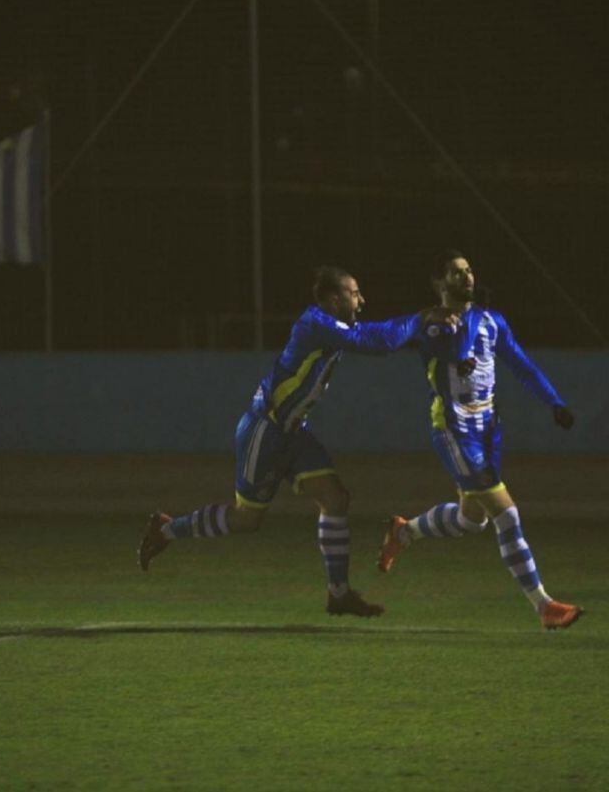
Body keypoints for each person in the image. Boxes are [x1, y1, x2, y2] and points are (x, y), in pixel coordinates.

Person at [138, 265, 453, 618]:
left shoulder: (336, 327)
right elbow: (377, 342)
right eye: (354, 293)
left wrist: (419, 323)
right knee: (246, 520)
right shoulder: (315, 323)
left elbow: (377, 332)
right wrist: (423, 317)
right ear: (334, 300)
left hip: (293, 431)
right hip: (266, 429)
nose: (361, 300)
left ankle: (339, 594)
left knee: (335, 498)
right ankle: (167, 529)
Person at [377, 250, 583, 631]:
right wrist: (465, 328)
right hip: (455, 426)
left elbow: (522, 364)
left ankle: (403, 532)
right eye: (456, 273)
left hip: (489, 425)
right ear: (439, 284)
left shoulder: (492, 320)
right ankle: (544, 606)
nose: (467, 277)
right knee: (506, 513)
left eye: (469, 270)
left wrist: (554, 402)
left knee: (471, 520)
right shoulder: (433, 326)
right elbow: (450, 351)